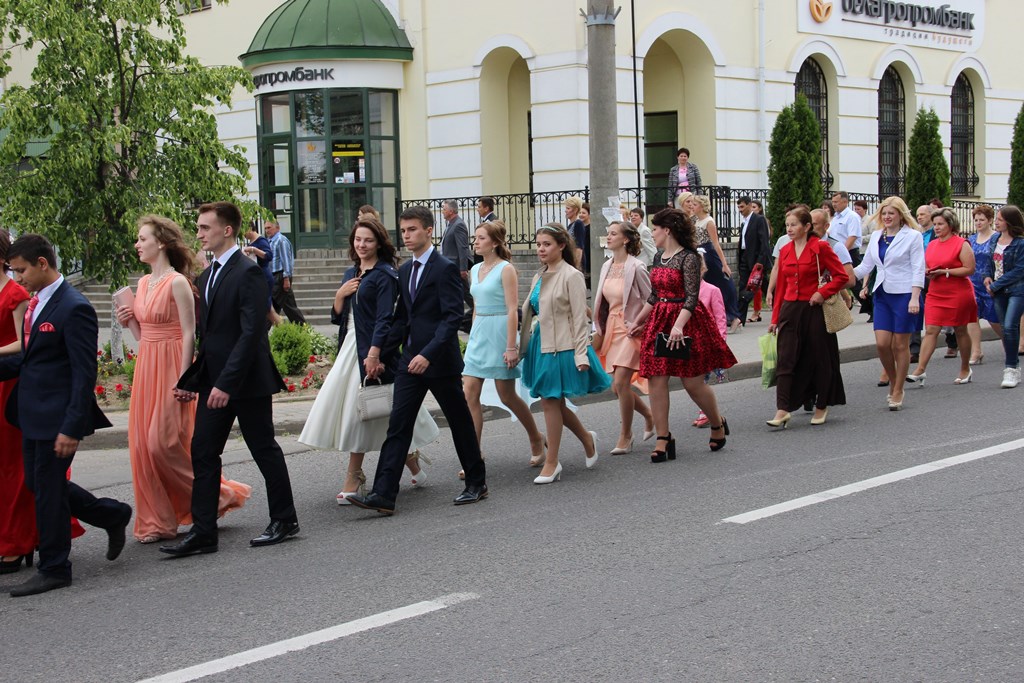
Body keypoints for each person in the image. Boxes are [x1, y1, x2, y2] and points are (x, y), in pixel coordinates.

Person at [163, 202, 299, 557]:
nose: (199, 234)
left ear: (227, 231)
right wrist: (192, 379)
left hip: (247, 380)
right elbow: (211, 337)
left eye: (205, 228)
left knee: (263, 448)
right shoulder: (207, 275)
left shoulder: (249, 272)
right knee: (203, 450)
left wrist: (227, 383)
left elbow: (252, 333)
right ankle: (203, 532)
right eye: (198, 227)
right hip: (214, 380)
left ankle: (285, 519)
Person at [0, 234, 131, 596]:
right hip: (30, 413)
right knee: (39, 484)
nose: (17, 278)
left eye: (21, 270)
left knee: (47, 489)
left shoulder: (74, 307)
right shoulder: (36, 302)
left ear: (42, 264)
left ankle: (55, 567)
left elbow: (83, 373)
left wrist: (72, 426)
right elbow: (30, 360)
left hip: (56, 417)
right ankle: (110, 514)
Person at [116, 216, 252, 544]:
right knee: (143, 448)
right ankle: (158, 522)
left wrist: (184, 378)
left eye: (142, 238)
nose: (137, 244)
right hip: (148, 366)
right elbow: (143, 336)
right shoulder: (143, 283)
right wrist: (128, 320)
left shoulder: (177, 282)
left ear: (161, 242)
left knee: (161, 444)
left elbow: (190, 332)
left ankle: (215, 495)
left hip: (173, 365)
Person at [348, 206, 488, 514]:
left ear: (428, 230)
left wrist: (428, 354)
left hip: (440, 362)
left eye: (412, 229)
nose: (407, 236)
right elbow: (402, 319)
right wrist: (380, 354)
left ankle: (476, 483)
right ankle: (384, 494)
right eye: (403, 231)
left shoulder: (444, 268)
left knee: (460, 422)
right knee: (398, 426)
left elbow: (451, 318)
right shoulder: (405, 270)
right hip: (409, 362)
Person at [298, 218, 437, 502]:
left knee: (361, 415)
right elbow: (340, 317)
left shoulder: (385, 275)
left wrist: (374, 354)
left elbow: (385, 319)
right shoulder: (351, 273)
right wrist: (339, 295)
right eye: (358, 239)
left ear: (379, 244)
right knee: (382, 415)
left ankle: (354, 477)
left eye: (368, 240)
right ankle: (412, 462)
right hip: (350, 346)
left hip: (372, 349)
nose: (362, 245)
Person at [631, 209, 736, 461]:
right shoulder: (659, 256)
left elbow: (691, 297)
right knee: (656, 379)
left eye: (655, 228)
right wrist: (638, 320)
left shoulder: (689, 258)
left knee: (692, 383)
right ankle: (663, 437)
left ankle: (717, 423)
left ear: (667, 230)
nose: (652, 233)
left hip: (687, 323)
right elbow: (654, 295)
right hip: (660, 321)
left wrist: (678, 326)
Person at [520, 223, 608, 484]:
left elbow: (580, 319)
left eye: (546, 244)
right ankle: (587, 438)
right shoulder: (539, 275)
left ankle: (552, 461)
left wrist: (581, 354)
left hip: (563, 346)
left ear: (561, 246)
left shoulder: (572, 275)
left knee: (550, 400)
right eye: (538, 244)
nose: (541, 249)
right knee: (554, 402)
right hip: (541, 343)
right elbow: (532, 312)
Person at [461, 220, 547, 466]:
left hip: (500, 333)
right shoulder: (475, 269)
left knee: (507, 395)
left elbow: (512, 310)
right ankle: (473, 455)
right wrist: (472, 337)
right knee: (469, 394)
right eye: (475, 238)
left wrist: (511, 347)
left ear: (495, 242)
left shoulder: (506, 269)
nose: (475, 242)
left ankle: (536, 437)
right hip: (479, 334)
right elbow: (476, 307)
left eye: (481, 238)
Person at [766, 207, 848, 428]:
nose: (789, 229)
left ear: (807, 226)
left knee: (820, 357)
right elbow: (781, 287)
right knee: (786, 358)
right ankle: (783, 409)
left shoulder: (820, 247)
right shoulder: (785, 250)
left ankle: (822, 404)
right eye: (787, 225)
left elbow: (841, 276)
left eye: (794, 225)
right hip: (790, 309)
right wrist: (774, 318)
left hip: (814, 308)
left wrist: (822, 293)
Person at [853, 197, 924, 410]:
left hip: (905, 295)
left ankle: (898, 389)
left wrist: (915, 297)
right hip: (882, 294)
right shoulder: (877, 236)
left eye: (891, 213)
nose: (887, 217)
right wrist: (842, 275)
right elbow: (865, 266)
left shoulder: (913, 236)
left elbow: (918, 268)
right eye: (884, 213)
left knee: (900, 345)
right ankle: (893, 381)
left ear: (901, 215)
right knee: (882, 344)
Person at [592, 220, 655, 454]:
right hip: (611, 328)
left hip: (630, 330)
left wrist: (642, 324)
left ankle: (626, 435)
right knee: (617, 388)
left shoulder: (637, 267)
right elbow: (602, 302)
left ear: (626, 239)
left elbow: (652, 299)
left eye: (613, 234)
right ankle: (649, 415)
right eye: (608, 233)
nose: (608, 237)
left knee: (620, 383)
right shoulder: (606, 266)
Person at [907, 208, 977, 385]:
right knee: (931, 329)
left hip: (958, 292)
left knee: (960, 329)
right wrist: (928, 272)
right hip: (936, 292)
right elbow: (926, 265)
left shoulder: (961, 243)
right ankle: (920, 369)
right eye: (935, 224)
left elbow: (969, 269)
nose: (936, 227)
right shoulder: (932, 244)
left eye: (940, 224)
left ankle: (965, 368)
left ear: (950, 225)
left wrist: (946, 271)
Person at [0, 229, 35, 574]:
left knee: (13, 465)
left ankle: (16, 543)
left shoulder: (15, 293)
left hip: (9, 385)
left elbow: (24, 343)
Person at [687, 194, 741, 332]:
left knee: (721, 285)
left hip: (709, 254)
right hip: (699, 253)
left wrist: (724, 264)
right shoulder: (695, 220)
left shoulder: (709, 221)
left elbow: (716, 244)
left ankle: (734, 316)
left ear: (702, 206)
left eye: (695, 204)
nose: (692, 206)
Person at [984, 205, 1024, 389]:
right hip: (998, 292)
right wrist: (987, 277)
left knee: (1009, 326)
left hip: (1016, 290)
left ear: (1009, 221)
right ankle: (1014, 364)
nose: (996, 222)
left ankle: (1010, 368)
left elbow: (1020, 270)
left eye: (1000, 219)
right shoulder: (994, 239)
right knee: (1005, 329)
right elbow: (989, 261)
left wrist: (996, 285)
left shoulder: (1020, 244)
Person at [967, 205, 1002, 365]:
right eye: (976, 220)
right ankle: (976, 351)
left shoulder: (997, 238)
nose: (978, 223)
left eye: (982, 219)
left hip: (991, 283)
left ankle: (1009, 341)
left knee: (995, 319)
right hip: (973, 283)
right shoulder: (971, 239)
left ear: (990, 220)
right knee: (972, 317)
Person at [736, 195, 772, 327]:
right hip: (745, 258)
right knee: (743, 286)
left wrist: (760, 261)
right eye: (738, 207)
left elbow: (764, 241)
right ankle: (739, 319)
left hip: (756, 259)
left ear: (750, 205)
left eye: (742, 207)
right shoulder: (744, 223)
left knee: (765, 286)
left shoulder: (759, 219)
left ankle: (780, 310)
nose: (740, 210)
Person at [441, 200, 473, 332]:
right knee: (460, 293)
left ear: (451, 211)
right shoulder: (451, 224)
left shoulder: (458, 225)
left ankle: (478, 310)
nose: (442, 211)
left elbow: (462, 248)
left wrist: (463, 268)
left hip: (457, 267)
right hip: (451, 267)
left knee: (466, 293)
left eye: (444, 209)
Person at [265, 219, 306, 325]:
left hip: (280, 276)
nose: (267, 230)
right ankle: (302, 328)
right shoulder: (269, 241)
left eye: (269, 228)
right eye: (265, 228)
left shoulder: (281, 240)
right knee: (288, 306)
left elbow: (286, 260)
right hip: (273, 276)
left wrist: (286, 278)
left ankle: (263, 330)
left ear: (277, 228)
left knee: (272, 306)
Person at [242, 224, 282, 326]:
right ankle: (284, 330)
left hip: (264, 277)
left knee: (268, 310)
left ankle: (285, 330)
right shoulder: (253, 241)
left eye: (244, 231)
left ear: (250, 228)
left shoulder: (261, 241)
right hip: (258, 277)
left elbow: (269, 255)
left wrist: (253, 250)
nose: (243, 235)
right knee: (266, 309)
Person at [565, 196, 589, 279]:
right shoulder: (570, 226)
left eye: (568, 208)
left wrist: (576, 267)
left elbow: (579, 247)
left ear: (575, 210)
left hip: (576, 264)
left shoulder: (578, 224)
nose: (566, 211)